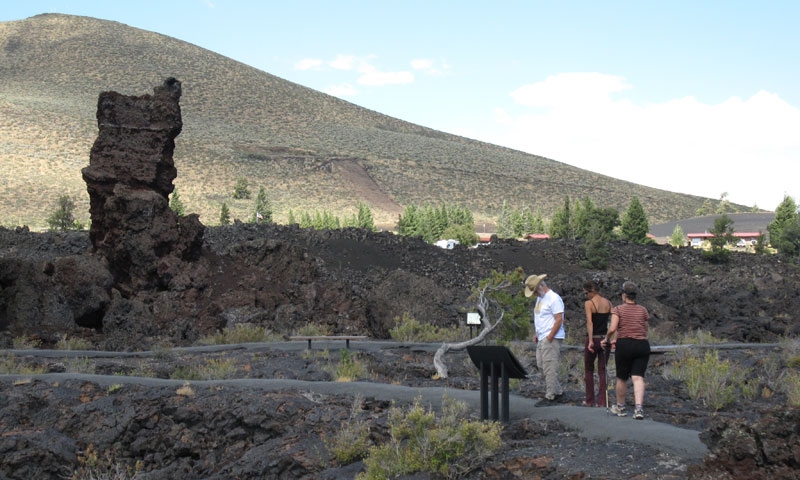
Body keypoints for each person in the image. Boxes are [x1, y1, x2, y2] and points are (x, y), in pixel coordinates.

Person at [601, 281, 651, 420]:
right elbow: (645, 328)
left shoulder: (618, 309)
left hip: (625, 345)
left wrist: (607, 339)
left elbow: (612, 328)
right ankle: (639, 409)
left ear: (624, 295)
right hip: (642, 344)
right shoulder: (643, 310)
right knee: (638, 377)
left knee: (622, 377)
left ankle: (621, 407)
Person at [525, 273, 565, 402]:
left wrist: (550, 336)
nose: (535, 294)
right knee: (541, 365)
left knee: (549, 366)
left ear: (541, 286)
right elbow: (541, 317)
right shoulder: (541, 299)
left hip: (551, 337)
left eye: (535, 291)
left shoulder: (554, 298)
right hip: (543, 337)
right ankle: (557, 390)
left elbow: (559, 319)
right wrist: (537, 333)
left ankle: (550, 395)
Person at [582, 280, 612, 407]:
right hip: (605, 339)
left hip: (594, 338)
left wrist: (589, 341)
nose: (586, 295)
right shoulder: (608, 303)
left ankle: (589, 400)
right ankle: (602, 402)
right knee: (602, 371)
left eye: (586, 293)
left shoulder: (589, 303)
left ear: (591, 292)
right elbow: (614, 321)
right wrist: (612, 338)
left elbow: (590, 323)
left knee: (589, 369)